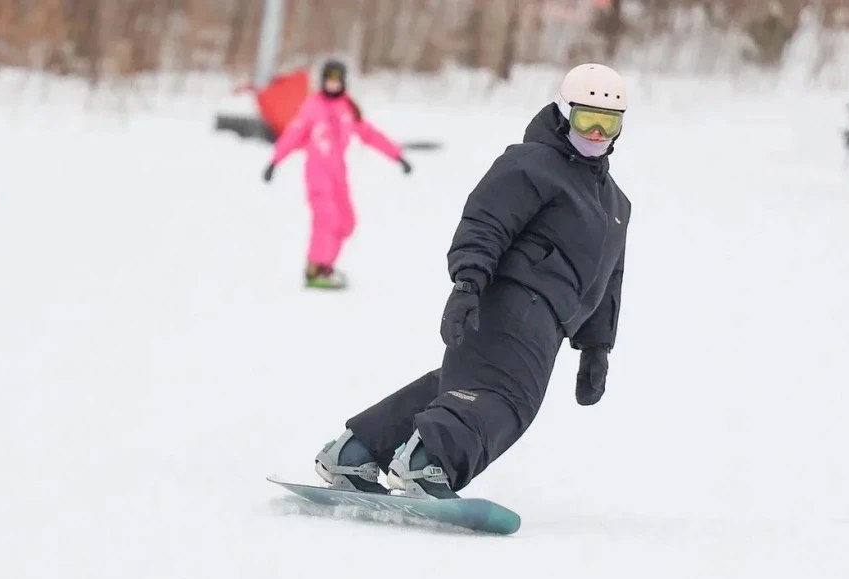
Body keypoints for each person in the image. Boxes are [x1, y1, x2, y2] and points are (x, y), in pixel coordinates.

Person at [312, 63, 632, 499]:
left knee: (459, 385)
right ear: (562, 113)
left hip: (551, 319)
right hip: (515, 299)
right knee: (508, 398)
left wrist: (597, 347)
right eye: (586, 119)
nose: (596, 132)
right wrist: (467, 284)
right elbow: (486, 223)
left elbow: (608, 277)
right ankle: (430, 462)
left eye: (607, 122)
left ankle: (359, 451)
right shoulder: (532, 163)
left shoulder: (616, 203)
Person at [263, 60, 413, 288]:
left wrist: (397, 156)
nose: (332, 85)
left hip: (338, 175)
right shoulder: (312, 107)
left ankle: (327, 266)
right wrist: (275, 160)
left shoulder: (347, 108)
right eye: (328, 80)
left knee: (346, 222)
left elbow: (369, 134)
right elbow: (293, 134)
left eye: (337, 81)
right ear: (322, 82)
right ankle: (315, 268)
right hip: (317, 173)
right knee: (326, 218)